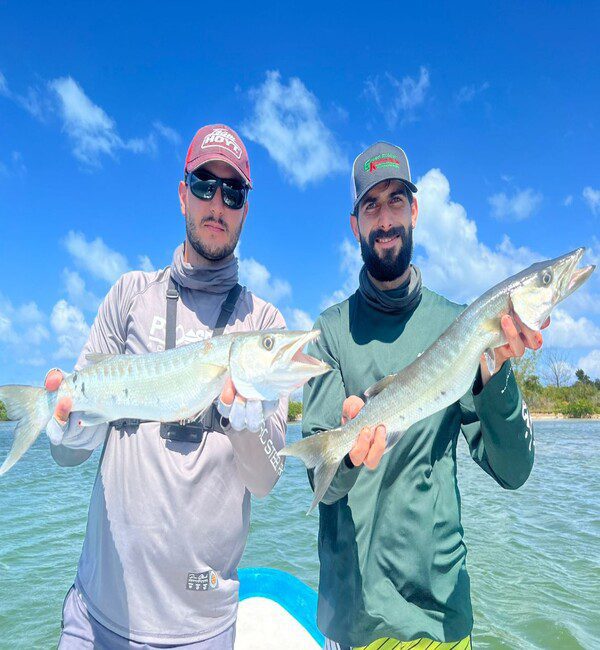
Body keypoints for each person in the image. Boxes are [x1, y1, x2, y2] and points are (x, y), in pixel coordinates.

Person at [45, 124, 287, 649]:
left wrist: (246, 428)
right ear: (182, 196)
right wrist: (66, 427)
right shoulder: (129, 296)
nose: (217, 203)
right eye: (204, 184)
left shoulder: (264, 322)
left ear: (245, 209)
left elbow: (267, 478)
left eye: (233, 192)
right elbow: (70, 456)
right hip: (95, 614)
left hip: (200, 627)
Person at [302, 142, 545, 650]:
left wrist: (494, 376)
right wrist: (345, 457)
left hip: (441, 621)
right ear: (355, 225)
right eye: (371, 205)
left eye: (396, 201)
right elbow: (320, 485)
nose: (385, 219)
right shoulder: (328, 334)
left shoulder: (461, 327)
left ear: (414, 210)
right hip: (354, 621)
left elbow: (514, 471)